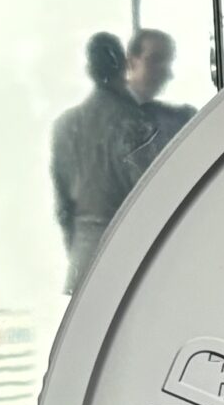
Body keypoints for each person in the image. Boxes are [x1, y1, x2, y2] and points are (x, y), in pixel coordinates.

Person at [50, 32, 154, 296]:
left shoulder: (64, 126)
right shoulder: (134, 125)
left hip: (83, 260)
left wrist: (75, 250)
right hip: (127, 256)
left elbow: (63, 209)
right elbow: (149, 196)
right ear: (123, 66)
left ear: (89, 70)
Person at [125, 28, 194, 159]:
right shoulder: (107, 118)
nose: (164, 71)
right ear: (131, 62)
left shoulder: (179, 120)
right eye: (155, 59)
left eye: (168, 62)